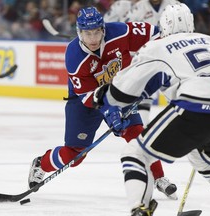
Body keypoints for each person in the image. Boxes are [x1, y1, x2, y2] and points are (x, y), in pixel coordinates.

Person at [93, 3, 210, 216]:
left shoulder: (158, 45)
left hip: (193, 110)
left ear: (163, 24)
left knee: (135, 154)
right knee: (207, 161)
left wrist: (102, 96)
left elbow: (121, 93)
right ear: (191, 23)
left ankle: (139, 209)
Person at [28, 6, 177, 199]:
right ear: (79, 32)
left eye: (97, 32)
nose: (93, 38)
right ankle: (41, 164)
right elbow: (90, 97)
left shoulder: (121, 32)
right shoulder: (74, 56)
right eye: (87, 33)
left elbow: (157, 35)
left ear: (103, 29)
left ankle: (158, 178)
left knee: (137, 135)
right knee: (74, 155)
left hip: (119, 91)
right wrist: (110, 111)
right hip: (84, 102)